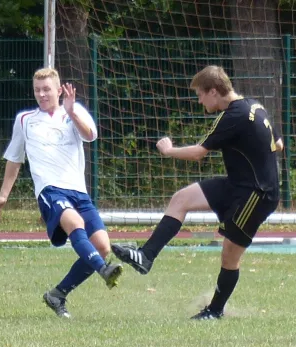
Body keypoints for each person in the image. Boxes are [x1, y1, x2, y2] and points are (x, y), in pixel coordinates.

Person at [111, 65, 284, 320]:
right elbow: (278, 144)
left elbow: (198, 153)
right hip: (238, 183)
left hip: (256, 194)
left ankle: (214, 311)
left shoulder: (232, 116)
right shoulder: (254, 106)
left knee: (229, 255)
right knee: (181, 199)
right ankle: (146, 256)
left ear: (213, 91)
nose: (199, 100)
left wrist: (169, 150)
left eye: (201, 95)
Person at [0, 67, 122, 319]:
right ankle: (104, 271)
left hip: (78, 192)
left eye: (46, 89)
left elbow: (91, 136)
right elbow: (14, 160)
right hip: (50, 191)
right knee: (74, 223)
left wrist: (72, 111)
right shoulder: (25, 120)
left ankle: (57, 294)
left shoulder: (73, 112)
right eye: (37, 90)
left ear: (59, 90)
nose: (41, 94)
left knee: (102, 246)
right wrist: (3, 195)